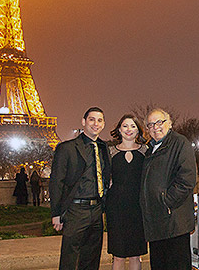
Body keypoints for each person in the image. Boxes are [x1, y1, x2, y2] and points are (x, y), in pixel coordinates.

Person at [49, 107, 111, 270]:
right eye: (91, 119)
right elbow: (56, 181)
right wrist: (56, 213)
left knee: (92, 257)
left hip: (97, 209)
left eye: (99, 120)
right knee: (70, 258)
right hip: (75, 209)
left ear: (103, 124)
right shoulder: (66, 148)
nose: (95, 124)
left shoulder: (103, 148)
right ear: (83, 122)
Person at [140, 109, 197, 270]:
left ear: (169, 123)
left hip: (174, 221)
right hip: (157, 222)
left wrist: (165, 201)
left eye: (159, 122)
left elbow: (187, 179)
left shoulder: (180, 143)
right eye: (150, 124)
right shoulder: (151, 149)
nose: (155, 127)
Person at [106, 114, 148, 270]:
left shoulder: (146, 151)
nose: (129, 129)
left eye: (133, 126)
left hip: (138, 208)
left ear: (138, 130)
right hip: (116, 208)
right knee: (118, 255)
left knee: (135, 255)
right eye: (125, 126)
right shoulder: (110, 152)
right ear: (119, 129)